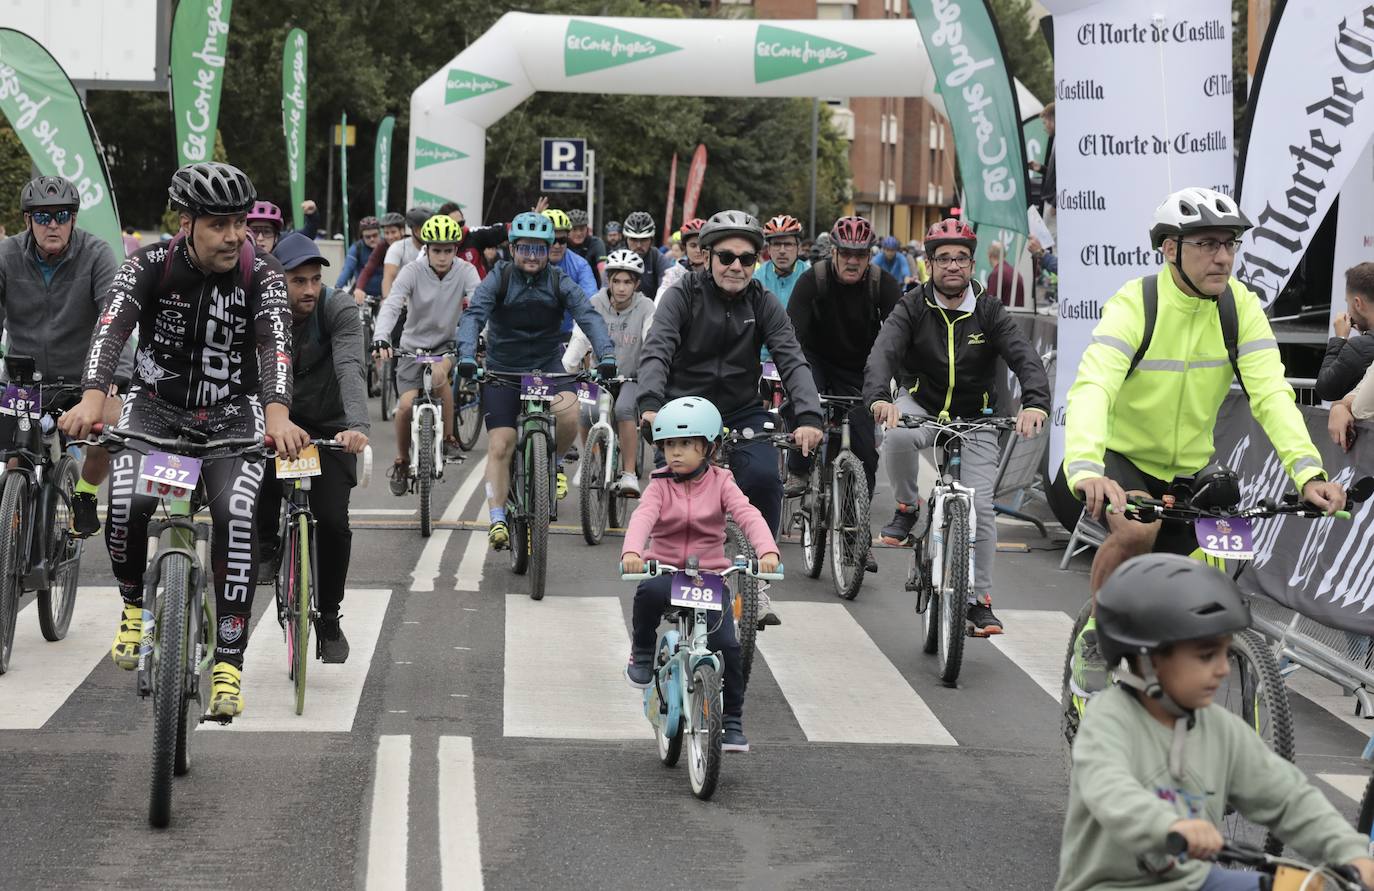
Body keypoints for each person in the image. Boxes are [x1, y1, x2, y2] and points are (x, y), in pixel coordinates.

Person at [1064, 187, 1344, 694]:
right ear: (1170, 248)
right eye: (1208, 244)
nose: (1223, 257)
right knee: (1136, 533)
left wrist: (1308, 472)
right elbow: (1094, 386)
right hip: (1122, 459)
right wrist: (1085, 467)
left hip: (1192, 467)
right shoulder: (1137, 303)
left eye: (1231, 244)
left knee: (1216, 566)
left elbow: (1273, 395)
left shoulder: (1240, 309)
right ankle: (1095, 634)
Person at [58, 162, 310, 719]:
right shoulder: (148, 263)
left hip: (232, 415)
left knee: (238, 516)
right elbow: (111, 329)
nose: (234, 235)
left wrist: (277, 415)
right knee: (126, 504)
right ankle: (131, 608)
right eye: (219, 224)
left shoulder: (262, 273)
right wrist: (93, 398)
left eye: (240, 223)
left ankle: (228, 663)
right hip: (157, 412)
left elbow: (275, 348)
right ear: (186, 221)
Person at [1055, 554, 1374, 891]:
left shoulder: (1222, 731)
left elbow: (1289, 798)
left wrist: (1350, 853)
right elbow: (1110, 790)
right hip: (1113, 886)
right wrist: (1168, 825)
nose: (1222, 669)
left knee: (1305, 887)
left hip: (1195, 881)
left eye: (1225, 653)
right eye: (1207, 655)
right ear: (1147, 657)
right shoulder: (1109, 721)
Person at [637, 210, 824, 626]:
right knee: (671, 496)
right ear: (706, 255)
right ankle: (667, 575)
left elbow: (792, 359)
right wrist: (650, 404)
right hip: (684, 411)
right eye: (726, 257)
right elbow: (658, 349)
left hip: (742, 409)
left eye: (746, 258)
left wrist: (808, 416)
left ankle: (757, 579)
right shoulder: (682, 295)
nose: (736, 266)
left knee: (763, 479)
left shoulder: (764, 302)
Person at [864, 218, 1050, 635]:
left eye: (961, 258)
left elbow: (1025, 357)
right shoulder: (911, 306)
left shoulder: (989, 309)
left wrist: (1035, 402)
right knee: (895, 437)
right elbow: (884, 352)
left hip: (977, 416)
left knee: (981, 508)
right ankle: (907, 507)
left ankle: (978, 599)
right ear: (929, 263)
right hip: (922, 405)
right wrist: (879, 397)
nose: (953, 266)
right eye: (944, 258)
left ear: (972, 264)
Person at [621, 396, 780, 754]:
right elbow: (643, 517)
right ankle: (643, 651)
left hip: (708, 578)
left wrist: (767, 550)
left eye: (685, 444)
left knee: (728, 647)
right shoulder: (660, 484)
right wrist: (632, 552)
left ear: (708, 448)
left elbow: (747, 514)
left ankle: (734, 722)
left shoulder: (723, 482)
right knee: (647, 594)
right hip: (666, 569)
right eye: (669, 445)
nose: (675, 453)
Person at [456, 212, 616, 549]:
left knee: (570, 414)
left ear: (549, 251)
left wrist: (607, 355)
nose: (532, 256)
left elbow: (589, 316)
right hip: (503, 369)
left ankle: (554, 462)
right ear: (513, 249)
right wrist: (468, 356)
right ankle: (498, 516)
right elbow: (473, 316)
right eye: (525, 248)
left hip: (547, 368)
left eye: (540, 249)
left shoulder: (559, 281)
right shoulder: (498, 278)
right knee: (501, 444)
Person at [256, 233, 369, 663]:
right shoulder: (261, 309)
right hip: (274, 417)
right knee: (257, 477)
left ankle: (329, 617)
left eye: (315, 280)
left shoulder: (337, 308)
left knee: (335, 523)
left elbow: (350, 366)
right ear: (277, 279)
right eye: (296, 280)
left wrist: (357, 426)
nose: (307, 289)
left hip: (330, 427)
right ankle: (266, 543)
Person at [0, 175, 123, 535]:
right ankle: (14, 525)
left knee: (112, 425)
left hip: (85, 379)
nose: (52, 224)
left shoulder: (97, 254)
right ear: (27, 221)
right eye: (41, 217)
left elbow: (114, 321)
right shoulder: (6, 255)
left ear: (73, 219)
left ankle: (84, 493)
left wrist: (114, 378)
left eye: (61, 215)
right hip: (24, 379)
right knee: (14, 457)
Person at [784, 217, 901, 558]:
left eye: (861, 254)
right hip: (816, 360)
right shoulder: (812, 280)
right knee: (804, 406)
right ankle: (800, 469)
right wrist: (798, 383)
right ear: (834, 252)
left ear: (869, 256)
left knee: (865, 452)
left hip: (862, 368)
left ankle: (854, 536)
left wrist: (896, 384)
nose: (853, 261)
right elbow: (791, 339)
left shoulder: (883, 284)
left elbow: (899, 338)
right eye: (846, 253)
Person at [373, 214, 482, 490]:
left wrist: (482, 336)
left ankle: (448, 439)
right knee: (406, 407)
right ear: (427, 248)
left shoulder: (466, 271)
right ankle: (400, 461)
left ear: (456, 249)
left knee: (437, 375)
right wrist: (381, 337)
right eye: (437, 250)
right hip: (411, 349)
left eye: (448, 250)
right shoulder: (412, 271)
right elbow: (393, 304)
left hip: (446, 345)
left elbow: (482, 305)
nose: (442, 257)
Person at [562, 249, 655, 495]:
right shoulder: (595, 303)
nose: (622, 288)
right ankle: (589, 459)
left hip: (631, 376)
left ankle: (628, 473)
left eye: (627, 282)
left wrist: (653, 370)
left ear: (636, 284)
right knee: (585, 412)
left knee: (625, 409)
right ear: (609, 282)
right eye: (617, 281)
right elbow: (580, 337)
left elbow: (651, 338)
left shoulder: (646, 306)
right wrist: (566, 369)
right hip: (597, 376)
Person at [1316, 262, 1374, 403]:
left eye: (1347, 302)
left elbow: (1325, 388)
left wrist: (1340, 338)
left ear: (1357, 304)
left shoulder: (1359, 346)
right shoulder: (1364, 344)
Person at [438, 201, 506, 278]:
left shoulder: (474, 235)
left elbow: (504, 230)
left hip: (478, 288)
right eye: (454, 225)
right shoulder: (435, 246)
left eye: (461, 223)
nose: (459, 228)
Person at [753, 215, 809, 309]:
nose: (782, 251)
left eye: (788, 244)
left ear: (798, 249)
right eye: (776, 244)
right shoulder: (757, 278)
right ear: (769, 249)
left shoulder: (809, 276)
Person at [354, 211, 407, 303]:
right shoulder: (382, 246)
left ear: (402, 231)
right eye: (386, 233)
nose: (390, 237)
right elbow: (368, 269)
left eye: (393, 232)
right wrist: (359, 288)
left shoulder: (409, 244)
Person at [381, 207, 433, 300]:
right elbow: (388, 277)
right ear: (415, 230)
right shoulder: (397, 248)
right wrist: (386, 301)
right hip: (403, 301)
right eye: (426, 228)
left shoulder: (437, 248)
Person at [621, 211, 673, 300]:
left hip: (652, 310)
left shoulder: (656, 257)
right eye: (633, 239)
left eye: (643, 239)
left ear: (651, 240)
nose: (638, 245)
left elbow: (667, 285)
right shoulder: (617, 258)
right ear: (626, 240)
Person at [334, 216, 381, 303]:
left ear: (380, 233)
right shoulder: (357, 248)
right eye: (368, 237)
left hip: (384, 295)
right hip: (362, 295)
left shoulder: (386, 247)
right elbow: (347, 269)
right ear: (361, 236)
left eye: (375, 235)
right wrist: (336, 290)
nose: (372, 239)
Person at [656, 218, 706, 298]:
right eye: (693, 245)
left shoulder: (717, 272)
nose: (698, 250)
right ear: (685, 248)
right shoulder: (673, 274)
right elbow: (660, 299)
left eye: (702, 246)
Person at [566, 208, 607, 284]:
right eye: (574, 229)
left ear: (587, 229)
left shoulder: (596, 243)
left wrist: (606, 290)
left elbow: (603, 269)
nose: (578, 233)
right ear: (567, 231)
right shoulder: (562, 243)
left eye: (582, 229)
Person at [984, 241, 1026, 307]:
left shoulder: (996, 274)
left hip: (1002, 315)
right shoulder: (1016, 273)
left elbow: (989, 304)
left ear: (989, 255)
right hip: (1017, 315)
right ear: (1004, 255)